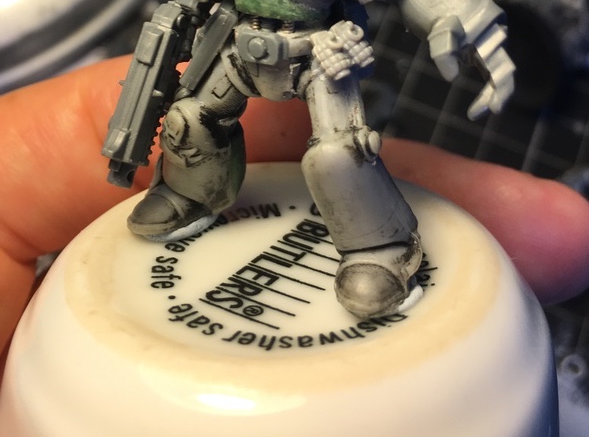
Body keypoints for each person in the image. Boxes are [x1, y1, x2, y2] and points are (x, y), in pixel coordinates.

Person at [2, 53, 589, 377]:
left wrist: (475, 35)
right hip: (239, 53)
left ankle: (378, 248)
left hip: (320, 59)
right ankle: (191, 193)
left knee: (337, 154)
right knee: (187, 120)